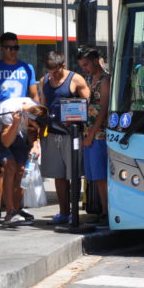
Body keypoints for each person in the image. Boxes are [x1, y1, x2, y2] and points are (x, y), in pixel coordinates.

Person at [38, 51, 90, 225]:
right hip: (52, 133)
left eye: (56, 71)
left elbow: (89, 104)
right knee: (58, 176)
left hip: (71, 134)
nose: (53, 75)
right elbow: (43, 105)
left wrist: (75, 118)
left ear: (63, 66)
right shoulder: (44, 81)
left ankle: (74, 213)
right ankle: (63, 213)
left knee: (73, 175)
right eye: (50, 71)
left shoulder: (76, 80)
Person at [0, 31, 38, 225]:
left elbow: (34, 96)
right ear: (1, 49)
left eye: (16, 47)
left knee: (21, 167)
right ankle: (1, 208)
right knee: (6, 168)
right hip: (0, 119)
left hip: (21, 120)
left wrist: (36, 122)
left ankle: (16, 207)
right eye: (9, 48)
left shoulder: (27, 68)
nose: (13, 51)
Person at [0, 97, 49, 226]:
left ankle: (16, 208)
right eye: (30, 125)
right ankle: (9, 212)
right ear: (27, 117)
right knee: (10, 167)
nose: (31, 127)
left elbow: (34, 132)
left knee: (22, 170)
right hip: (2, 133)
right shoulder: (8, 110)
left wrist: (35, 146)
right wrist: (15, 123)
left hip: (19, 133)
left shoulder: (37, 110)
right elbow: (6, 141)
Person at [78, 47, 110, 224]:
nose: (85, 68)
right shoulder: (89, 79)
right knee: (95, 176)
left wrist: (91, 134)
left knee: (101, 175)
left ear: (96, 60)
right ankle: (102, 209)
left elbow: (103, 109)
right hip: (89, 132)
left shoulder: (105, 80)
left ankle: (106, 210)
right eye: (82, 65)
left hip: (99, 134)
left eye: (86, 64)